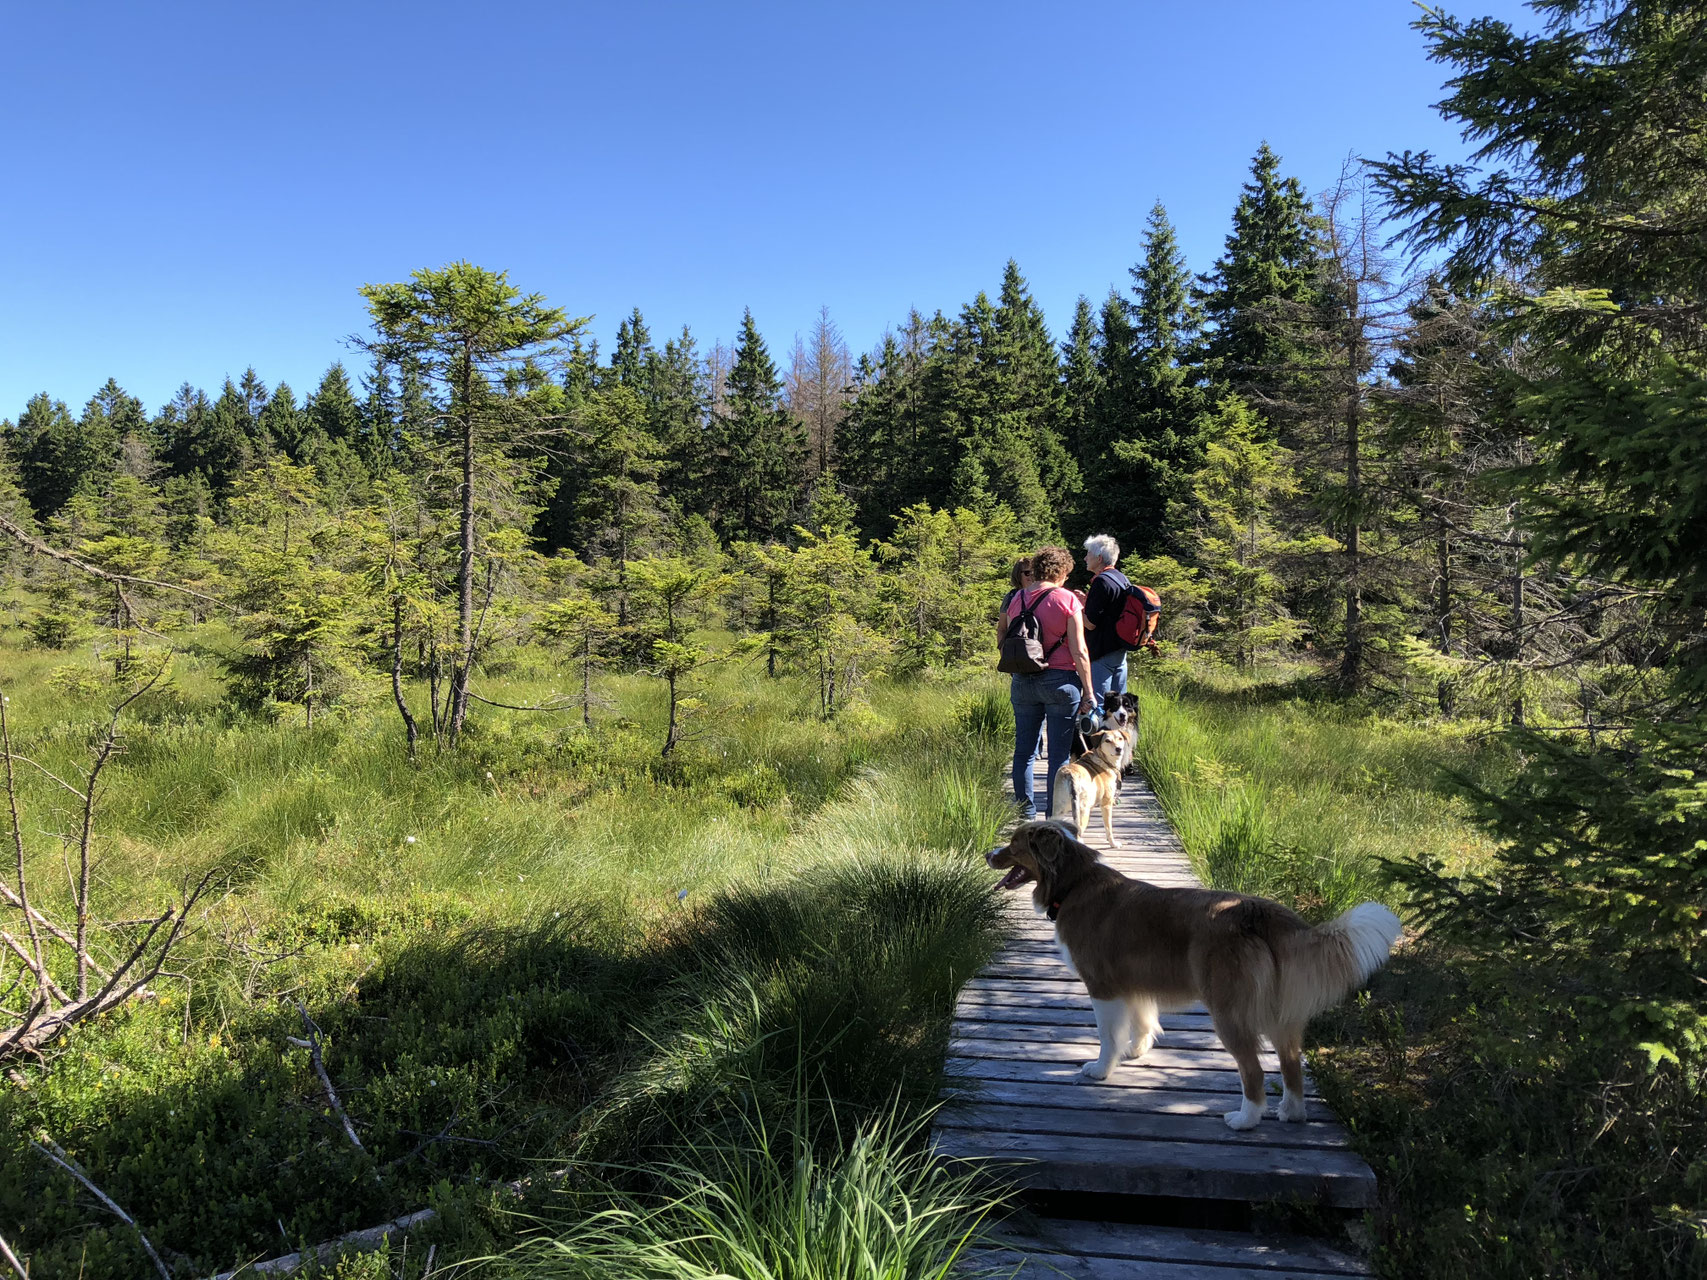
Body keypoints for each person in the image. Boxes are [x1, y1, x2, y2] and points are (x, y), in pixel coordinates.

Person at [1000, 544, 1097, 819]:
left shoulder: (1017, 598)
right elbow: (1080, 651)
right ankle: (1053, 816)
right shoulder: (1067, 600)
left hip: (1023, 680)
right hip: (1061, 682)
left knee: (1024, 753)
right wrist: (1089, 692)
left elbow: (1005, 636)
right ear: (1061, 571)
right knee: (1058, 757)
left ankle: (1025, 815)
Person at [1081, 533, 1132, 698]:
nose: (1085, 558)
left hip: (1101, 653)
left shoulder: (1101, 581)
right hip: (1119, 650)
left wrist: (1073, 609)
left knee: (1098, 707)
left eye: (1088, 554)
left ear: (1099, 558)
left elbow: (1090, 623)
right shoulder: (1121, 578)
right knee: (1118, 707)